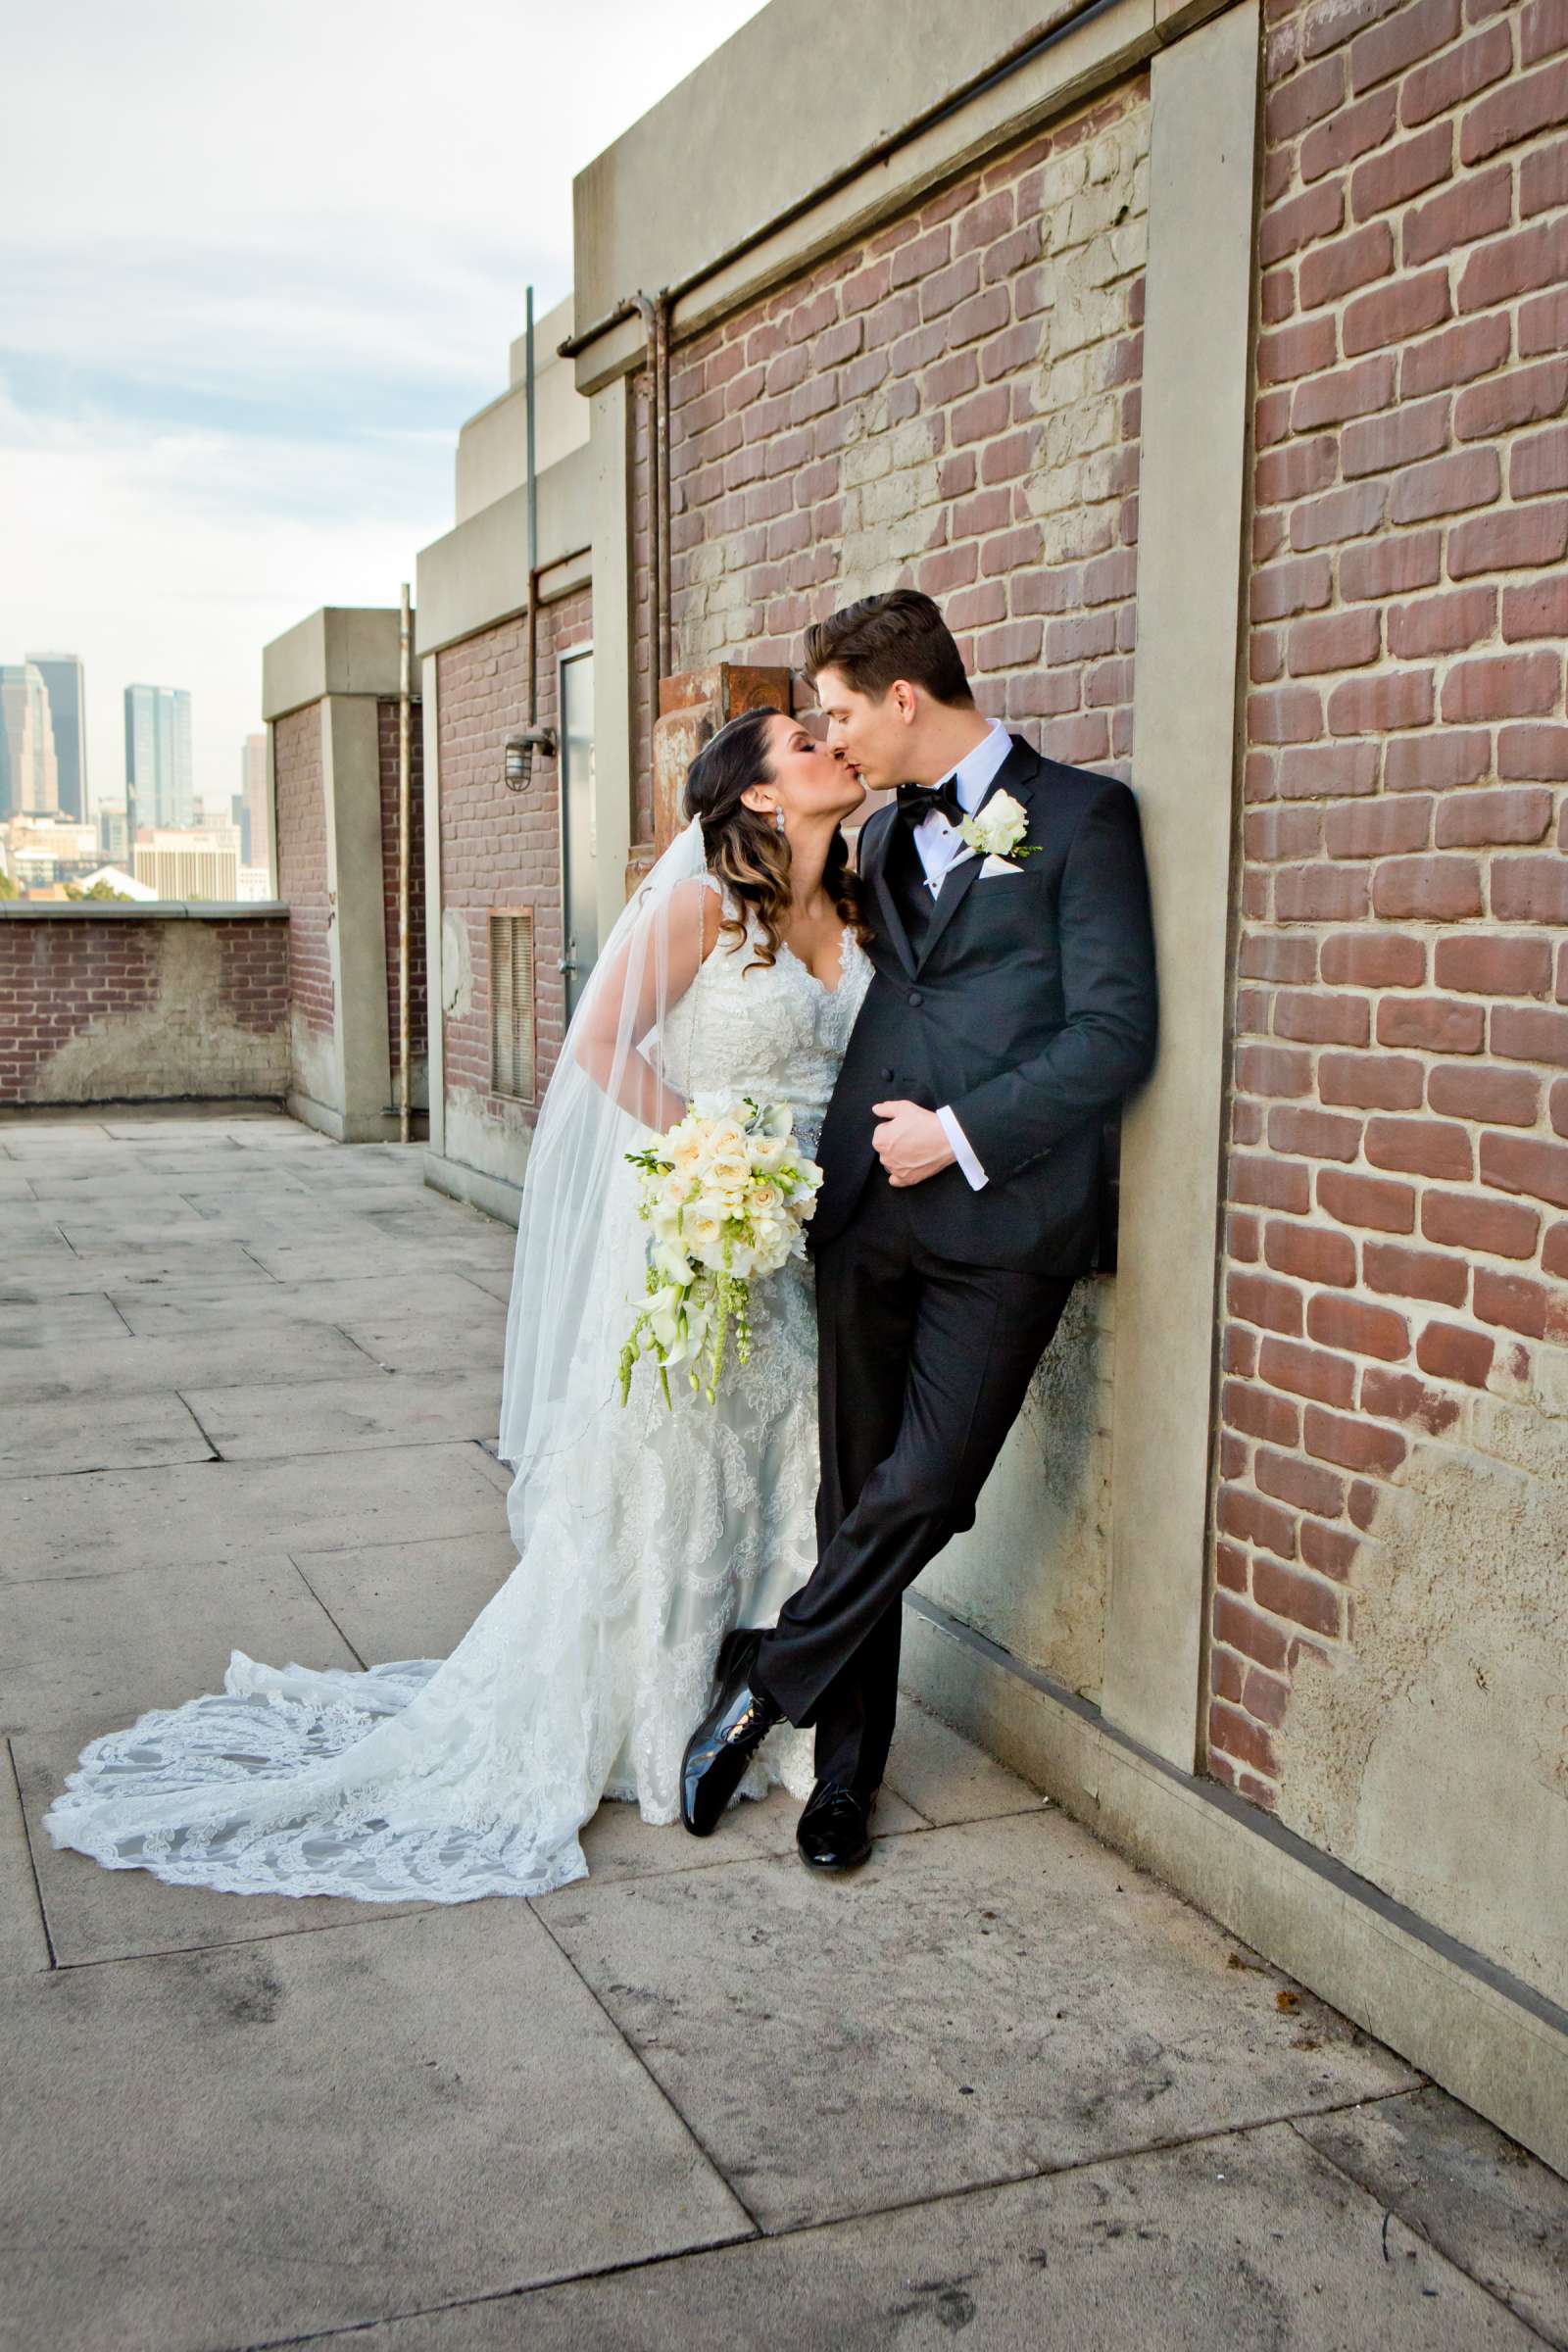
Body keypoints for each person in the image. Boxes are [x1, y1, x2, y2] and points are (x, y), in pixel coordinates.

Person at [43, 709, 872, 1903]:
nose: (825, 746)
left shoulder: (853, 900)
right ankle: (650, 1713)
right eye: (800, 741)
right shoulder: (703, 909)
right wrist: (713, 1168)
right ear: (751, 797)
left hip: (815, 1238)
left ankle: (764, 1713)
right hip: (712, 1224)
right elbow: (601, 1049)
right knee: (677, 1469)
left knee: (787, 1462)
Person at [681, 588, 1158, 1872]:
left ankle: (769, 1675)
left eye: (839, 711)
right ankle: (843, 1782)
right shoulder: (882, 839)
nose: (835, 736)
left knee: (928, 1490)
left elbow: (1115, 1034)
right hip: (863, 1218)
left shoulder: (1082, 818)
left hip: (1009, 1225)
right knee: (854, 1501)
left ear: (903, 698)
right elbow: (829, 971)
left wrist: (955, 1134)